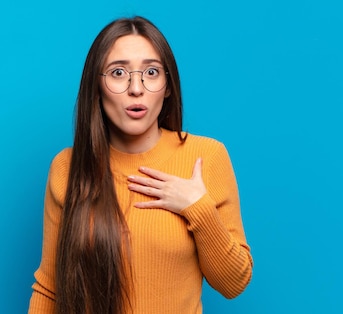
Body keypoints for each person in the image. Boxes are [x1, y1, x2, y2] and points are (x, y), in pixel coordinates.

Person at [28, 16, 253, 314]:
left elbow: (233, 283)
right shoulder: (67, 167)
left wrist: (197, 207)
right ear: (96, 88)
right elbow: (50, 288)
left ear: (168, 87)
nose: (137, 88)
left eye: (151, 72)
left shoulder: (206, 156)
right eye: (118, 72)